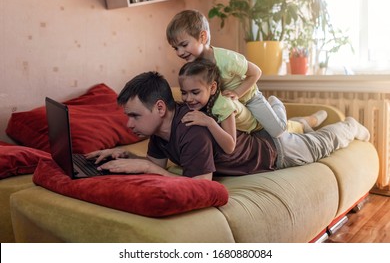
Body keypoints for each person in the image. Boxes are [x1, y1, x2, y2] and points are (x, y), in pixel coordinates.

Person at [86, 71, 370, 180]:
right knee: (299, 130)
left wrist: (146, 167)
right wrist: (126, 156)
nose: (128, 123)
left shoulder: (192, 128)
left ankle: (350, 125)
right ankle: (302, 122)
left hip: (275, 153)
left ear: (160, 108)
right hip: (264, 140)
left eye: (134, 115)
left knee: (323, 143)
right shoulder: (159, 133)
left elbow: (200, 185)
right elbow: (158, 168)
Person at [165, 9, 327, 138]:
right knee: (259, 133)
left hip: (250, 98)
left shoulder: (227, 59)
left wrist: (237, 92)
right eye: (175, 48)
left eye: (184, 45)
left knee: (277, 131)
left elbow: (256, 72)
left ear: (202, 36)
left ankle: (276, 104)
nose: (180, 52)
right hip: (234, 106)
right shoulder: (194, 67)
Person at [178, 58, 327, 154]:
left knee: (286, 128)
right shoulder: (203, 101)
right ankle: (306, 121)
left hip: (262, 130)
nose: (188, 99)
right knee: (294, 124)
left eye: (195, 92)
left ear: (212, 88)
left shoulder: (223, 106)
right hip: (253, 121)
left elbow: (230, 146)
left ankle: (278, 105)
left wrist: (208, 122)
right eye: (184, 93)